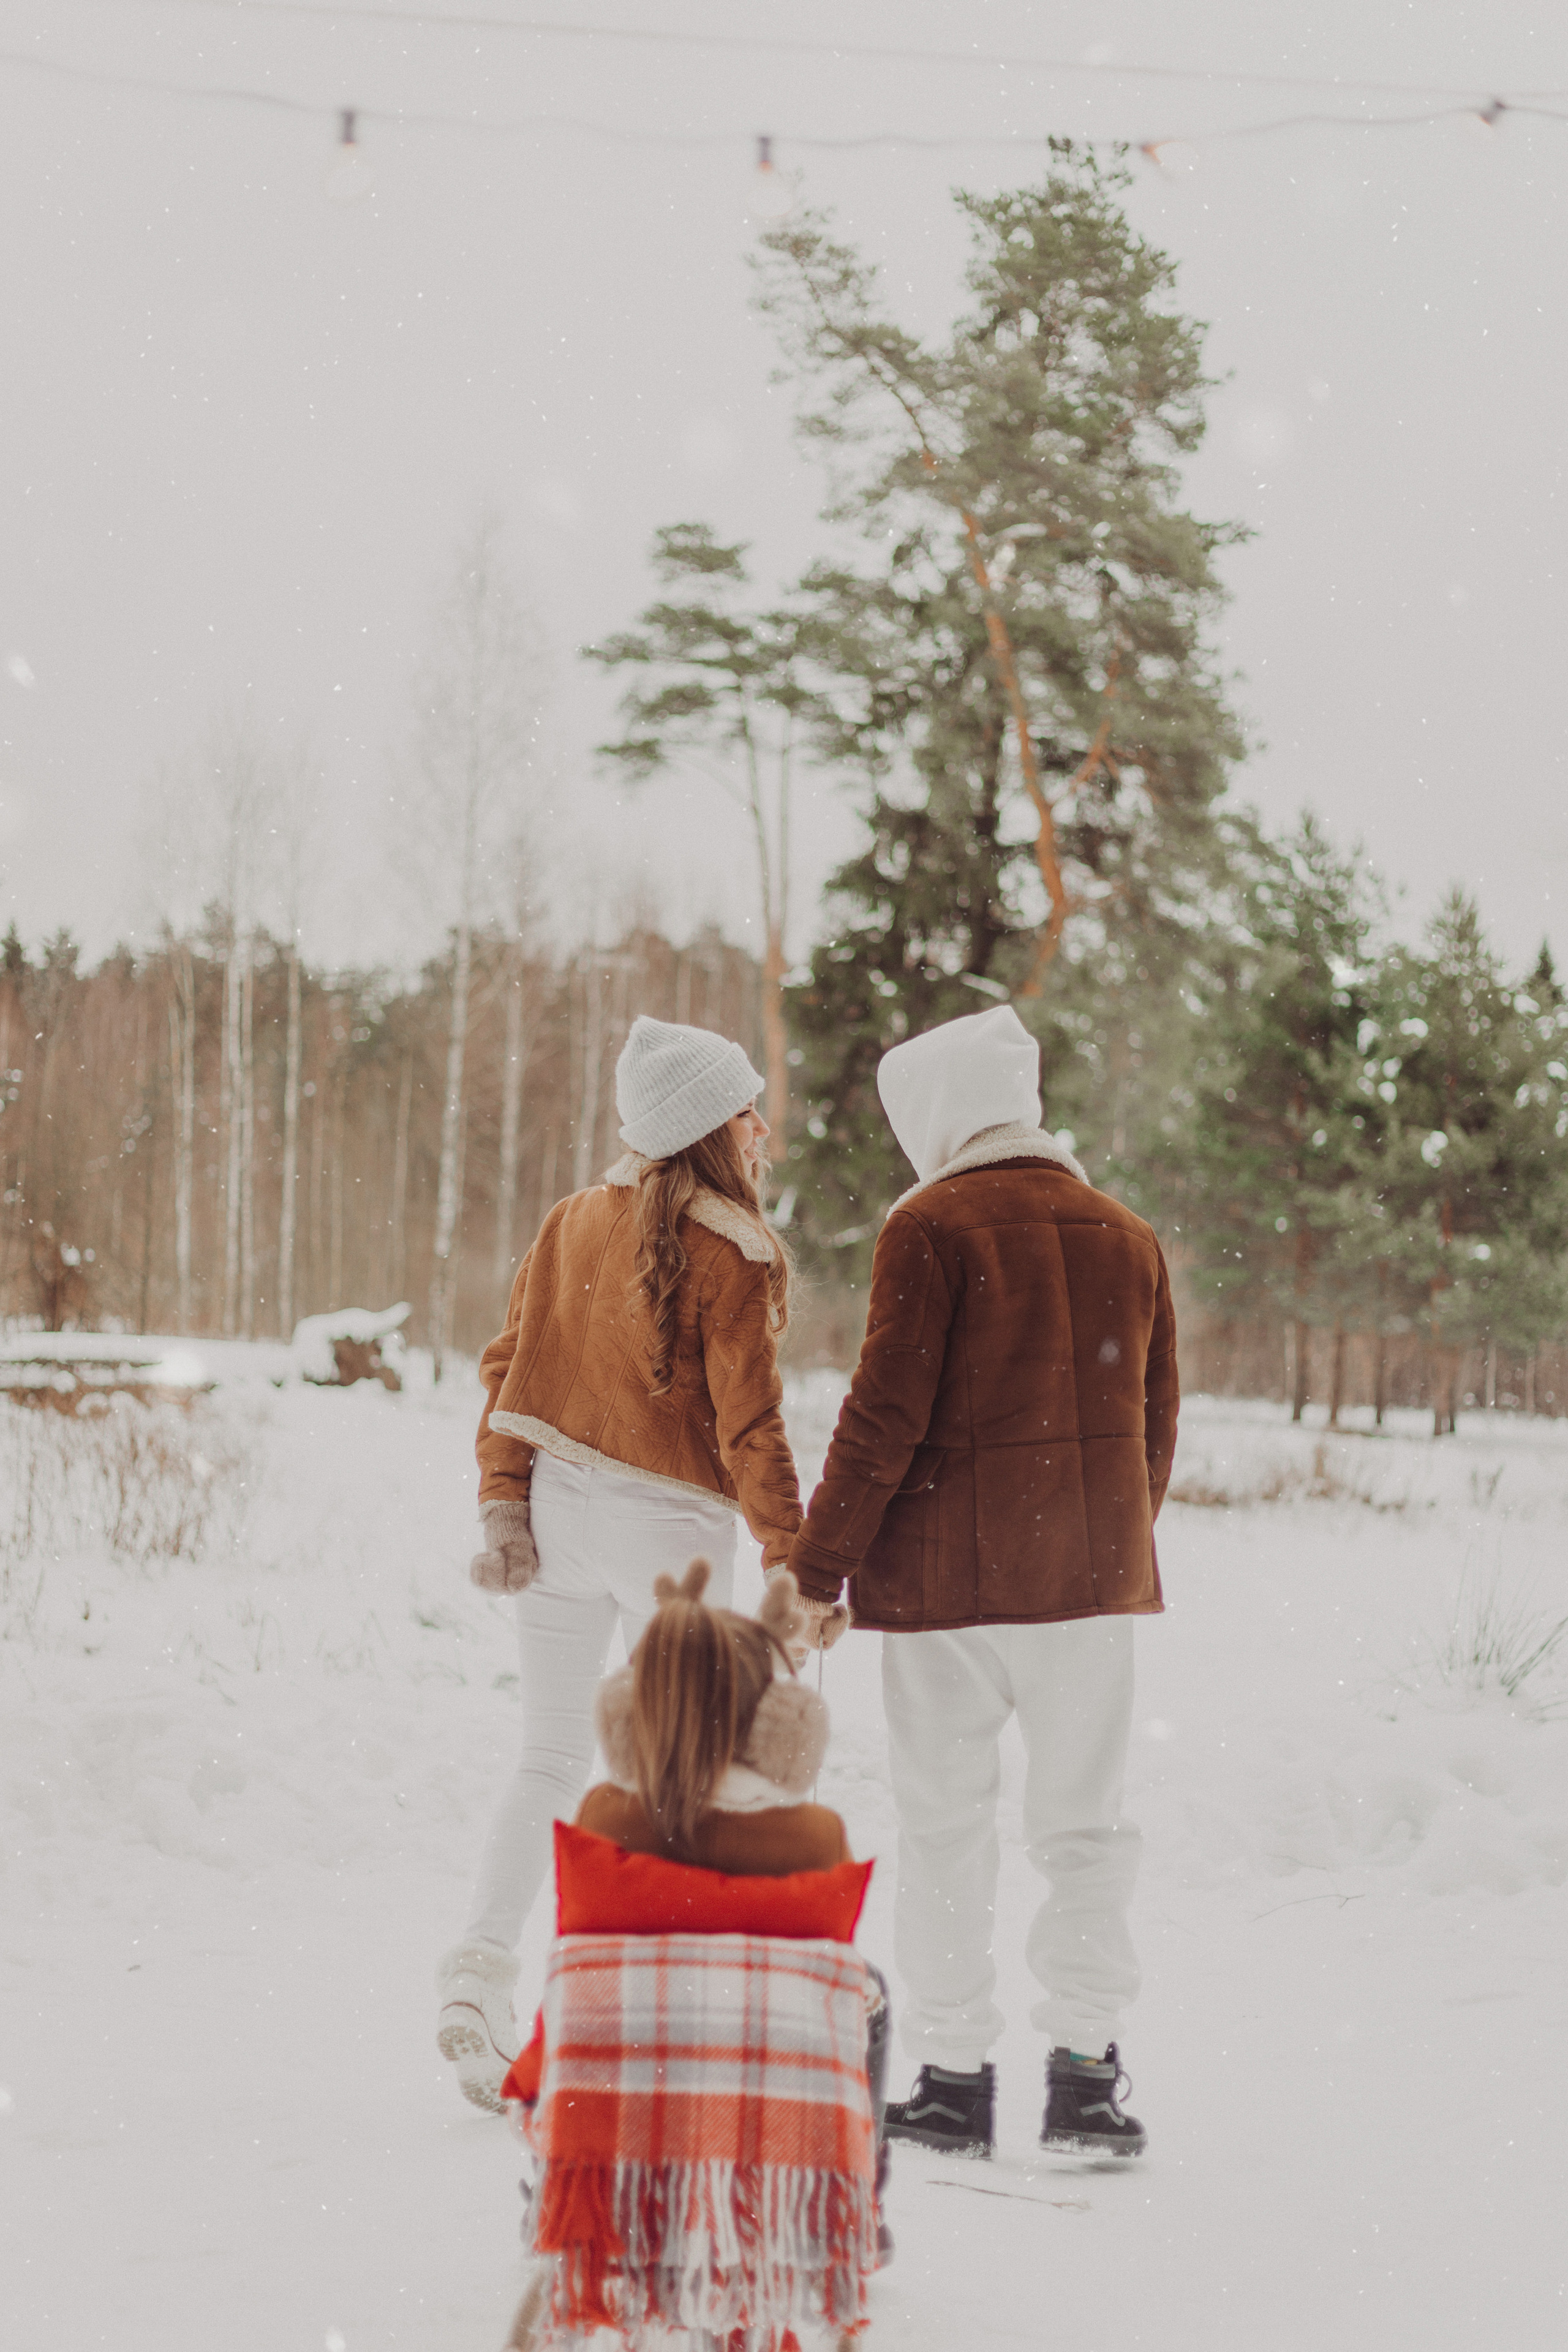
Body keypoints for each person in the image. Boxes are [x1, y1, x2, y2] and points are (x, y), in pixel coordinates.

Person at [786, 1003, 1179, 2160]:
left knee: (949, 1828)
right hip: (1092, 1591)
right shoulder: (1128, 1232)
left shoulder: (931, 1227)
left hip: (944, 1597)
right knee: (1086, 1830)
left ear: (942, 1114)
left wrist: (821, 1568)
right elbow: (1156, 1425)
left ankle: (955, 2083)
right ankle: (1085, 2081)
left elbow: (881, 1419)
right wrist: (1105, 1538)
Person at [435, 1014, 841, 2113]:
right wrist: (794, 1566)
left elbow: (510, 1369)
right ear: (712, 1126)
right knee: (681, 1778)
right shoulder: (739, 1252)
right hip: (674, 1545)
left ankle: (478, 1978)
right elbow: (754, 1428)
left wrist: (503, 1501)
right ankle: (634, 2025)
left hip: (562, 1518)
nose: (766, 1129)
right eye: (750, 1109)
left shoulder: (572, 1220)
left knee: (551, 1759)